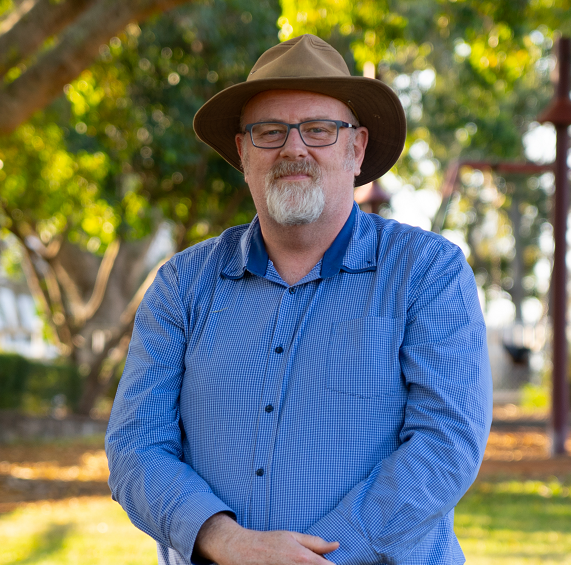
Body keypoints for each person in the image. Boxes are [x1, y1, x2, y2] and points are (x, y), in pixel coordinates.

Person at [106, 34, 492, 565]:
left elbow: (447, 443)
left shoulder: (427, 274)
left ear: (356, 149)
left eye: (318, 130)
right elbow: (135, 448)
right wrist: (230, 543)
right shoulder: (181, 286)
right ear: (243, 153)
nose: (294, 148)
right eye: (269, 132)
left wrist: (318, 557)